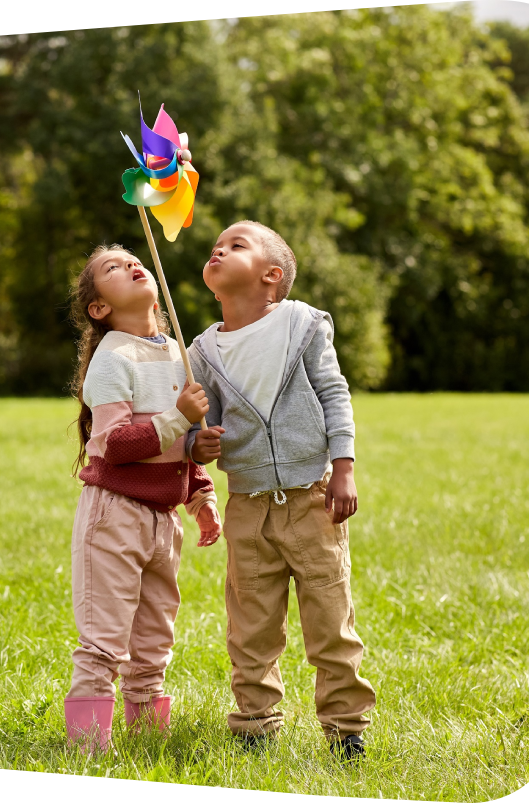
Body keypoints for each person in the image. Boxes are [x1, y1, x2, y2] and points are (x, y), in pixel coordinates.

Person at [186, 221, 376, 761]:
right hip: (248, 507)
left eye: (236, 244)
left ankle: (346, 729)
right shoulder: (201, 350)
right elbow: (203, 428)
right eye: (215, 246)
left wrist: (344, 466)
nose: (219, 249)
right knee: (250, 625)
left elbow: (334, 394)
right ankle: (254, 725)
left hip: (310, 498)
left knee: (329, 619)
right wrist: (199, 443)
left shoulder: (303, 324)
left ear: (272, 277)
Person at [64, 243, 222, 753]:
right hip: (116, 514)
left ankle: (148, 742)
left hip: (162, 520)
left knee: (154, 642)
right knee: (105, 641)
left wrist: (200, 493)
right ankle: (88, 749)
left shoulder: (176, 352)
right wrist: (178, 417)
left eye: (134, 259)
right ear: (99, 308)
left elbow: (182, 445)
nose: (132, 264)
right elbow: (112, 445)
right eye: (113, 267)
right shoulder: (112, 356)